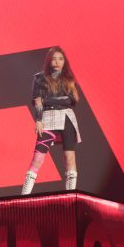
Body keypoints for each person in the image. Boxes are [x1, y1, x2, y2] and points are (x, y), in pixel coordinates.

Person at [21, 46, 81, 194]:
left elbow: (71, 100)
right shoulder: (39, 78)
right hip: (47, 117)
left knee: (70, 157)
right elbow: (37, 101)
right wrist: (38, 119)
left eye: (60, 59)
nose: (57, 62)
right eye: (54, 59)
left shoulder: (68, 79)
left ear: (64, 61)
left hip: (67, 118)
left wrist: (46, 100)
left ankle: (70, 195)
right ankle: (23, 196)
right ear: (49, 60)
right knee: (37, 158)